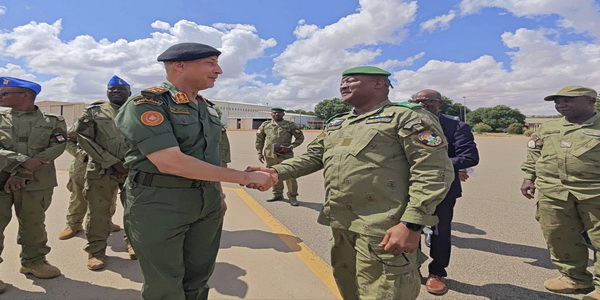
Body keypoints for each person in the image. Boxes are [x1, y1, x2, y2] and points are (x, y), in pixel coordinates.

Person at [249, 66, 454, 299]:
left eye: (351, 81)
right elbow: (314, 156)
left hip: (384, 229)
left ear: (379, 84)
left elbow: (433, 170)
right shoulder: (339, 123)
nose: (343, 86)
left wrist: (412, 224)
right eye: (342, 82)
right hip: (342, 225)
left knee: (385, 293)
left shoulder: (407, 117)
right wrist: (275, 172)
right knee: (350, 289)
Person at [114, 42, 275, 299]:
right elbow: (170, 162)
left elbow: (211, 156)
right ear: (179, 65)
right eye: (210, 63)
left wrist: (218, 193)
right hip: (160, 202)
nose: (219, 70)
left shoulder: (207, 107)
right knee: (165, 284)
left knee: (199, 277)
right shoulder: (148, 103)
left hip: (206, 202)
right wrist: (245, 178)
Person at [520, 86, 600, 300]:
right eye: (557, 101)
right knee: (559, 236)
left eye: (568, 100)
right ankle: (575, 278)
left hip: (594, 193)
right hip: (553, 192)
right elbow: (534, 152)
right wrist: (529, 177)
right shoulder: (549, 128)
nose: (561, 104)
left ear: (591, 100)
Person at [0, 77, 67, 292]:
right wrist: (21, 162)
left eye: (4, 93)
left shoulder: (53, 120)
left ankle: (34, 262)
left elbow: (57, 146)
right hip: (1, 180)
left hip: (37, 182)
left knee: (34, 224)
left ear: (25, 95)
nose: (0, 97)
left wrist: (24, 171)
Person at [410, 89, 479, 294]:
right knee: (410, 227)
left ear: (440, 103)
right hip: (409, 187)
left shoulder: (456, 126)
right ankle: (411, 269)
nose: (422, 105)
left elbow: (469, 157)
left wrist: (435, 165)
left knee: (441, 233)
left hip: (443, 188)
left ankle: (437, 272)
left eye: (428, 101)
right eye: (417, 101)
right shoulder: (405, 125)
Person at [75, 75, 135, 270]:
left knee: (135, 210)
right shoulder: (94, 112)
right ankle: (96, 251)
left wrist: (132, 162)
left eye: (120, 89)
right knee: (98, 212)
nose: (115, 92)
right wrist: (112, 161)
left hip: (133, 170)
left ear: (130, 93)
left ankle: (134, 243)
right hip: (101, 169)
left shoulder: (139, 111)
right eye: (111, 90)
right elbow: (83, 138)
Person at [58, 115, 121, 241]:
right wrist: (82, 155)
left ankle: (107, 222)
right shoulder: (84, 123)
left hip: (108, 166)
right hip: (83, 166)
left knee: (109, 196)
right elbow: (66, 141)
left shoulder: (117, 120)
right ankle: (74, 224)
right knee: (78, 197)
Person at [255, 107, 305, 206]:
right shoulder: (266, 125)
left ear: (283, 114)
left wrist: (291, 146)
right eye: (274, 113)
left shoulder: (290, 125)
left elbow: (300, 138)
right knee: (273, 175)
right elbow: (259, 140)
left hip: (286, 155)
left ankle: (292, 196)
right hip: (270, 155)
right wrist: (259, 152)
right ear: (271, 114)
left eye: (279, 113)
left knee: (290, 175)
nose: (276, 115)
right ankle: (277, 194)